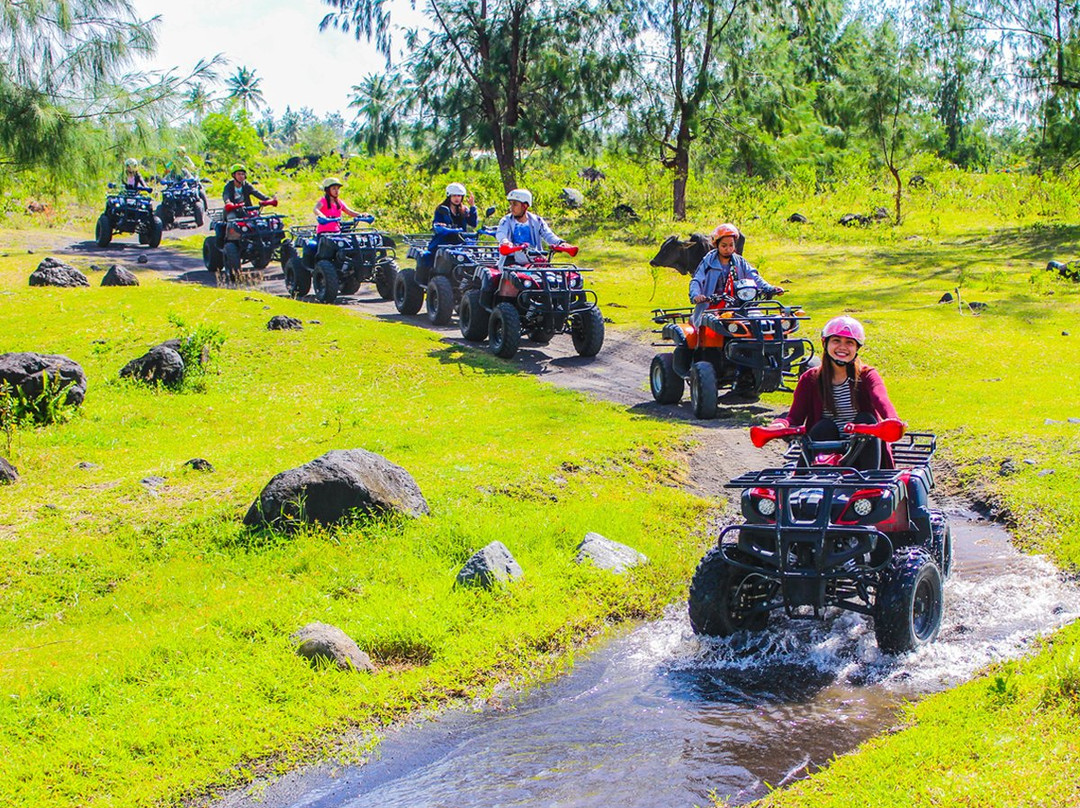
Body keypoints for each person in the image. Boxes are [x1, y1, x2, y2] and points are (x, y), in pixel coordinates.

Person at [770, 316, 900, 470]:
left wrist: (892, 420)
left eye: (849, 342)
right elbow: (795, 417)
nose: (842, 347)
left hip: (863, 453)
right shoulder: (810, 379)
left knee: (866, 419)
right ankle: (818, 478)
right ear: (825, 343)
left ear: (857, 348)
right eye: (836, 341)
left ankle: (869, 483)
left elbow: (881, 399)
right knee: (824, 426)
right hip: (825, 451)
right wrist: (779, 424)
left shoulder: (867, 375)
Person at [688, 223, 782, 304]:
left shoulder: (740, 262)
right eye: (724, 246)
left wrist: (770, 288)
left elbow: (754, 277)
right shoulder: (708, 262)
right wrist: (696, 295)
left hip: (737, 306)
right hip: (711, 308)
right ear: (716, 245)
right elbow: (697, 280)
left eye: (731, 245)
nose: (728, 249)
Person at [495, 188, 566, 264]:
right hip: (511, 262)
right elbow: (501, 232)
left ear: (525, 206)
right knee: (514, 276)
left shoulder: (537, 220)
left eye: (515, 204)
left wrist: (560, 243)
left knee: (551, 275)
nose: (511, 207)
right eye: (510, 204)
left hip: (535, 261)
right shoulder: (506, 220)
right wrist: (505, 241)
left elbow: (548, 234)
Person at [428, 182, 478, 252]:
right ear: (449, 196)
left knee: (473, 250)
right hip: (444, 242)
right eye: (454, 196)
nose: (457, 198)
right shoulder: (441, 209)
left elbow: (473, 224)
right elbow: (437, 226)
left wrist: (472, 207)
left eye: (459, 196)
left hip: (460, 241)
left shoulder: (464, 210)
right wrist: (445, 228)